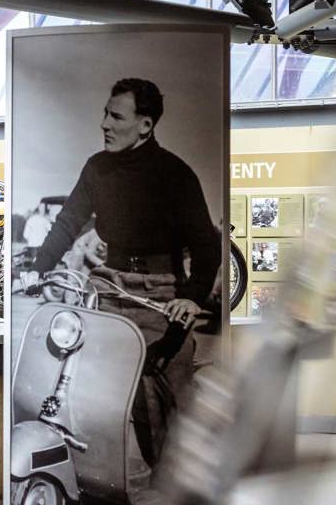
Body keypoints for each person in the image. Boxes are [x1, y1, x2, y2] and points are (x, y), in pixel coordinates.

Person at [29, 77, 220, 468]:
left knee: (171, 394)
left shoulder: (175, 174)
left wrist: (192, 296)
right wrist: (38, 268)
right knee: (89, 382)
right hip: (108, 287)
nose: (105, 123)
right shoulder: (97, 168)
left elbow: (206, 245)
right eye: (105, 113)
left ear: (145, 125)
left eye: (116, 116)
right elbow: (68, 221)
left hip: (161, 294)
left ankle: (185, 484)